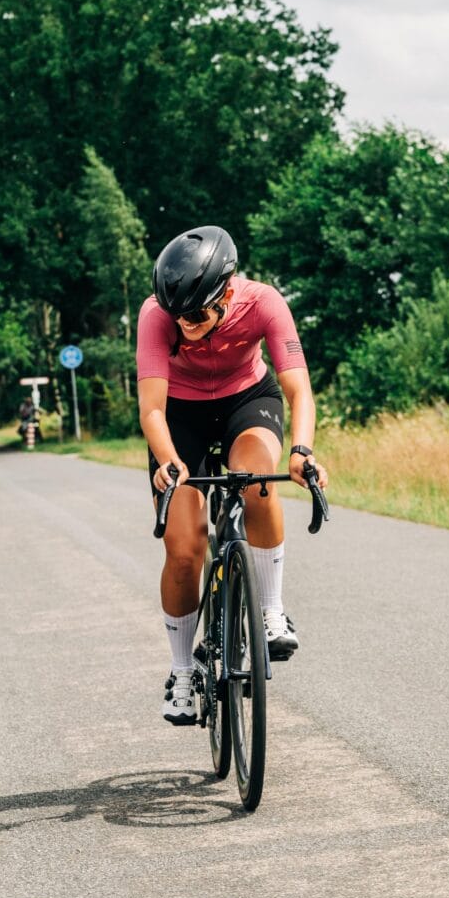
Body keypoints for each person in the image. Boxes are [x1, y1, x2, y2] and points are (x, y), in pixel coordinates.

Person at [135, 225, 329, 725]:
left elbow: (299, 390)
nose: (189, 327)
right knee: (183, 548)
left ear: (227, 290)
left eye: (199, 315)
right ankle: (181, 671)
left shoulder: (264, 302)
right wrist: (169, 460)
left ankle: (270, 610)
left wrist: (302, 450)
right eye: (180, 318)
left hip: (248, 399)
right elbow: (152, 409)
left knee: (257, 478)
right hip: (180, 413)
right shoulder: (157, 315)